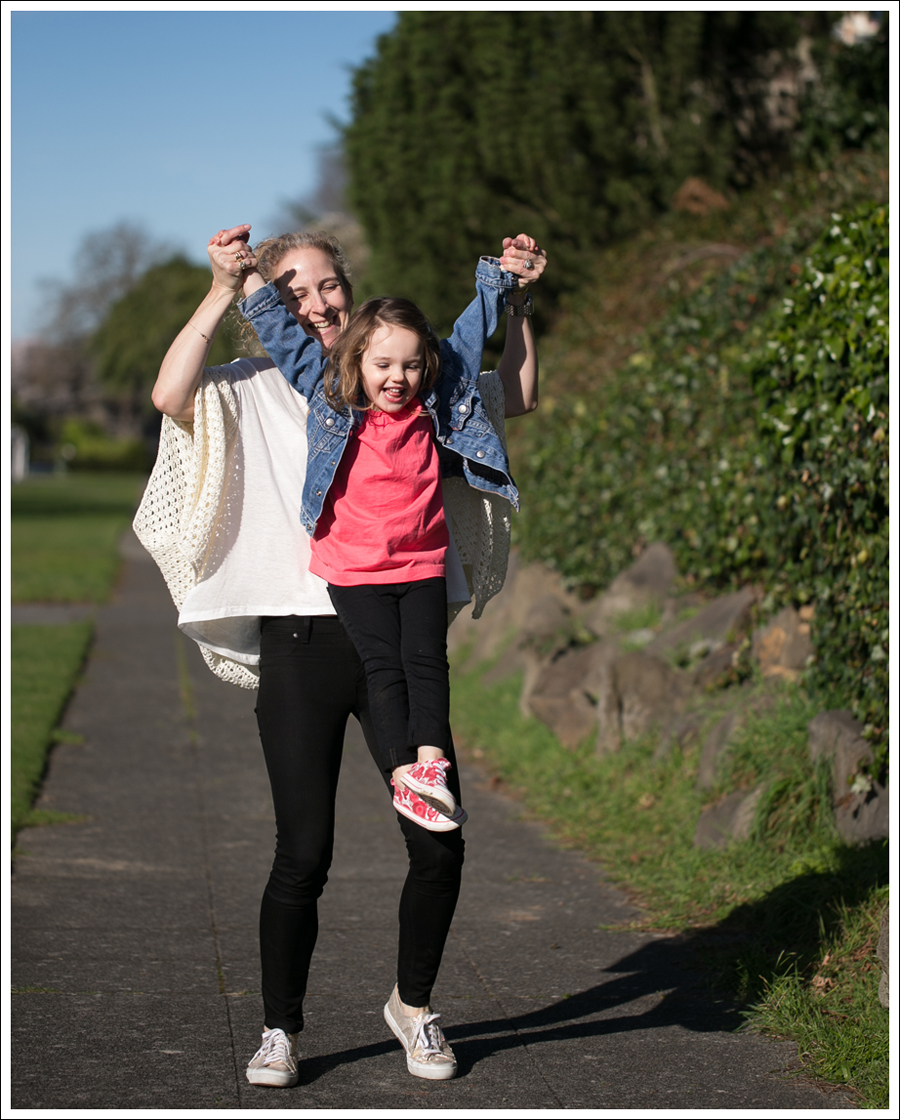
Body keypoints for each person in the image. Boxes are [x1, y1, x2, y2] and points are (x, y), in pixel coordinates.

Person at [138, 223, 544, 1087]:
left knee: (437, 840)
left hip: (400, 630)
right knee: (304, 853)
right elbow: (169, 392)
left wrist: (517, 299)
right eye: (291, 292)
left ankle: (414, 1006)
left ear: (348, 291)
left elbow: (512, 389)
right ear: (270, 311)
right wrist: (223, 286)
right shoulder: (253, 381)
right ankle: (280, 1028)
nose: (313, 303)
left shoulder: (407, 374)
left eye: (325, 285)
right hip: (304, 640)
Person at [236, 254, 521, 832]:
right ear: (355, 362)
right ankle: (404, 777)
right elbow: (283, 336)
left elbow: (468, 334)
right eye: (383, 364)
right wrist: (245, 276)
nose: (398, 378)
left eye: (412, 366)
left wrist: (499, 280)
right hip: (355, 569)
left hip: (421, 559)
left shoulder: (435, 395)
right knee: (384, 667)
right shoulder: (334, 397)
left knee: (428, 664)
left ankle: (430, 767)